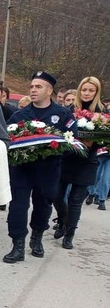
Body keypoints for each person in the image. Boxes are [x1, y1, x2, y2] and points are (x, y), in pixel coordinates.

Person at [3, 70, 75, 263]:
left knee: (43, 205)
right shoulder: (20, 115)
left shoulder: (62, 115)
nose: (33, 90)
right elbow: (8, 138)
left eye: (38, 87)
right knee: (18, 206)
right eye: (32, 87)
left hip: (48, 170)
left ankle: (37, 238)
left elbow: (71, 140)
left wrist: (53, 150)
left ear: (49, 90)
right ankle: (17, 245)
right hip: (22, 169)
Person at [55, 77, 106, 241]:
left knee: (75, 200)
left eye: (91, 90)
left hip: (87, 162)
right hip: (67, 159)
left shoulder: (102, 112)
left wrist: (93, 143)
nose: (87, 93)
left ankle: (69, 234)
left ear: (97, 92)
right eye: (84, 90)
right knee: (56, 195)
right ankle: (62, 219)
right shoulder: (70, 109)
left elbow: (105, 137)